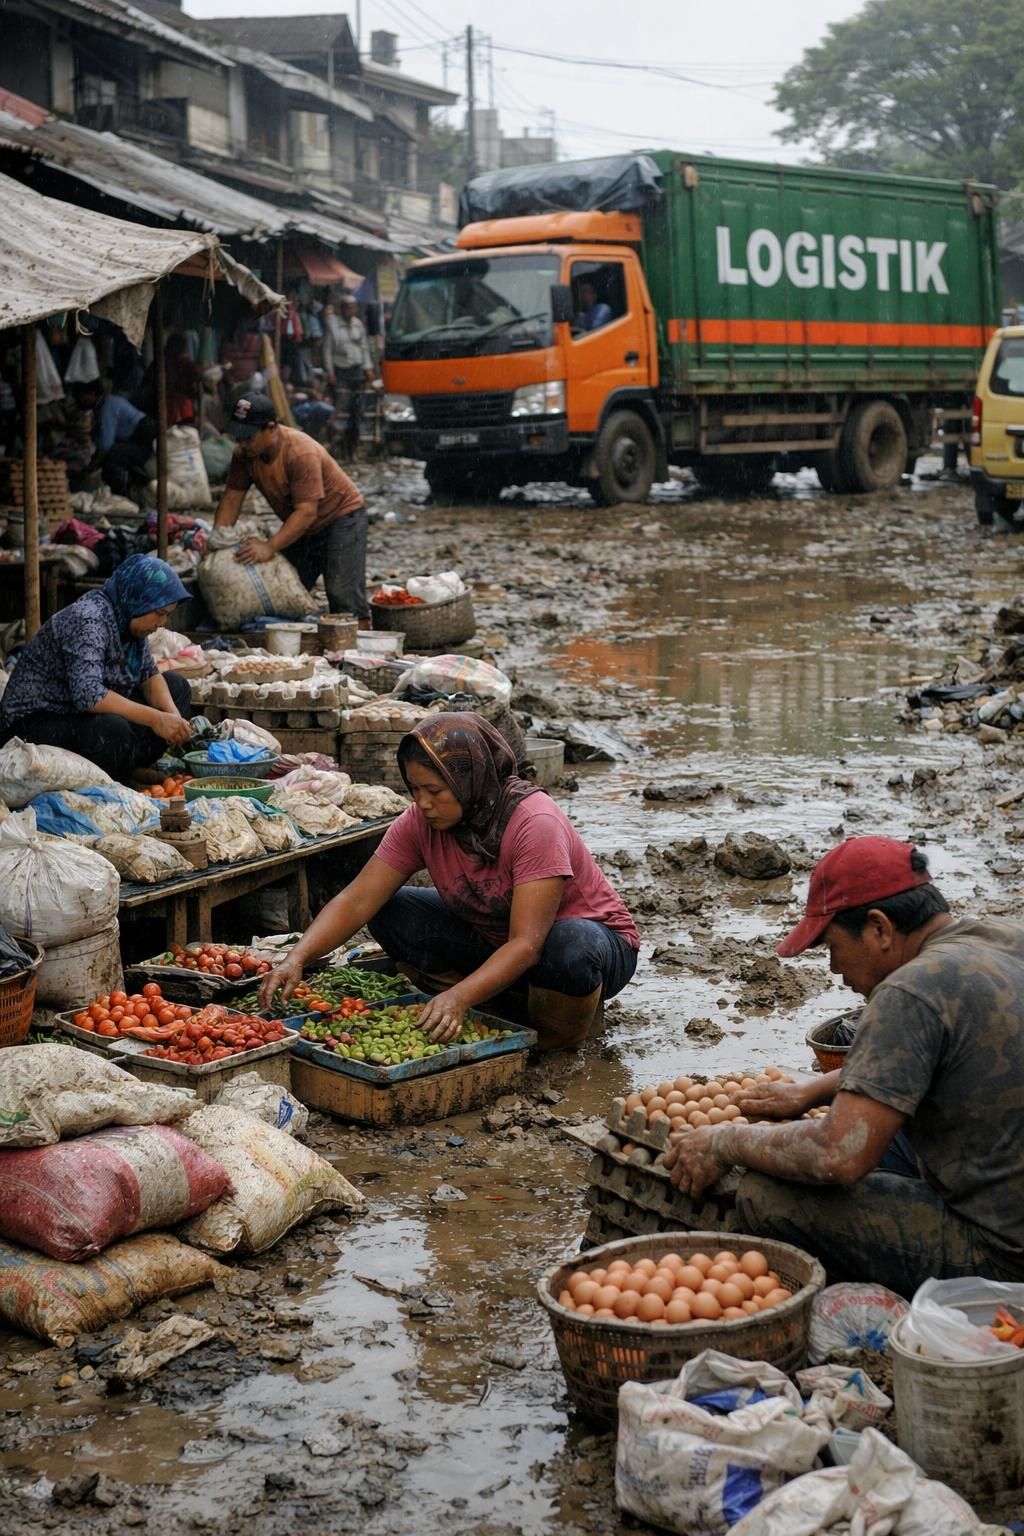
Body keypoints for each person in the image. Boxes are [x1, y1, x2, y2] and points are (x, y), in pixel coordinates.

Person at [664, 836, 1024, 1296]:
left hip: (1003, 1255)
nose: (835, 969)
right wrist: (813, 1090)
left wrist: (724, 1141)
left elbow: (837, 1155)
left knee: (765, 1196)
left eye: (832, 946)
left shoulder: (909, 991)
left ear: (879, 928)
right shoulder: (1002, 940)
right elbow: (940, 1052)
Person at [258, 713, 640, 1049]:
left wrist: (458, 997)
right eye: (414, 789)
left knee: (569, 944)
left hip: (585, 944)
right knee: (391, 910)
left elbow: (526, 944)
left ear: (469, 781)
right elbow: (358, 898)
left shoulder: (534, 823)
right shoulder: (419, 821)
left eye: (435, 791)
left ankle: (556, 1038)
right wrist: (297, 958)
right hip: (495, 938)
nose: (422, 803)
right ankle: (493, 1007)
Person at [0, 555, 192, 781]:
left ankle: (129, 766)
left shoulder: (129, 625)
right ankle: (116, 775)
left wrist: (173, 717)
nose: (162, 623)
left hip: (76, 715)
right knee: (111, 727)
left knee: (177, 687)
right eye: (159, 613)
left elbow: (149, 675)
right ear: (138, 600)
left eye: (167, 615)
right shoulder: (88, 620)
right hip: (34, 724)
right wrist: (156, 719)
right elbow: (89, 696)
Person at [214, 392, 369, 620]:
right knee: (288, 584)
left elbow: (306, 512)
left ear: (270, 428)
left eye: (248, 437)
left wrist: (269, 547)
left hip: (341, 518)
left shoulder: (299, 452)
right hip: (303, 524)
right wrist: (218, 540)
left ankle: (361, 637)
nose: (242, 444)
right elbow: (231, 500)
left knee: (342, 594)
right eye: (239, 437)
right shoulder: (244, 455)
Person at [323, 296, 374, 459]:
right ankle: (338, 445)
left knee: (357, 410)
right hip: (340, 372)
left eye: (352, 307)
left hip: (356, 372)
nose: (350, 310)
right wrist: (330, 372)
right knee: (341, 409)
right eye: (347, 307)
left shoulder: (358, 325)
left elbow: (364, 348)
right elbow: (327, 350)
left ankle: (353, 445)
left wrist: (368, 368)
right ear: (342, 309)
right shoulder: (332, 325)